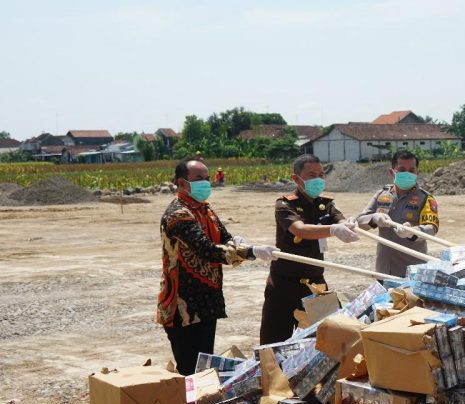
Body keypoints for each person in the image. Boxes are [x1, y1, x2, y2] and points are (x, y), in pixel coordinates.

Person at [158, 157, 276, 375]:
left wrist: (238, 244)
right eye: (199, 178)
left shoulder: (205, 210)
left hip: (206, 301)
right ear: (182, 183)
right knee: (190, 369)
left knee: (204, 366)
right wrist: (250, 252)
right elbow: (207, 250)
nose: (205, 183)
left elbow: (224, 237)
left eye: (207, 178)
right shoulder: (178, 215)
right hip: (183, 305)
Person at [260, 154, 359, 344]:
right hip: (284, 285)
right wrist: (333, 230)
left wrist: (348, 224)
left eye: (321, 175)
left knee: (329, 342)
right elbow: (300, 230)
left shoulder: (325, 204)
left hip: (315, 283)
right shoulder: (285, 204)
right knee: (273, 343)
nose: (318, 180)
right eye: (311, 175)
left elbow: (340, 219)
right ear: (296, 179)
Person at [357, 150, 439, 277]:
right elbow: (360, 222)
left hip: (412, 271)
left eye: (411, 170)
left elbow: (432, 228)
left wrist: (412, 232)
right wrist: (374, 218)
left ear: (417, 173)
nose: (407, 173)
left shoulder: (425, 198)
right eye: (402, 170)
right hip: (384, 269)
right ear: (392, 172)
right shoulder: (381, 195)